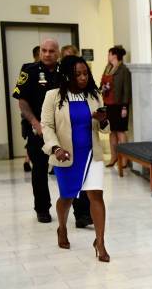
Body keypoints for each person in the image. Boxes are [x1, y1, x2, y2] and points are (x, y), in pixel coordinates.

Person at [12, 39, 92, 227]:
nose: (47, 54)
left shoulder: (66, 72)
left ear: (58, 53)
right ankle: (42, 209)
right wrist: (35, 122)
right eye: (44, 50)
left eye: (51, 51)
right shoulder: (29, 70)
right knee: (39, 171)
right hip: (36, 130)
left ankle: (81, 213)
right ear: (40, 52)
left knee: (74, 168)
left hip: (64, 130)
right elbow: (22, 101)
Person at [40, 55, 111, 262]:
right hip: (66, 156)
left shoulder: (94, 95)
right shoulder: (53, 96)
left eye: (85, 73)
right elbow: (48, 127)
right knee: (67, 197)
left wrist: (103, 120)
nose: (82, 78)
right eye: (77, 74)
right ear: (67, 75)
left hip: (91, 154)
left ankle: (100, 242)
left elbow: (104, 129)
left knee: (96, 196)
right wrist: (55, 148)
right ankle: (62, 227)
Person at [101, 45, 132, 167]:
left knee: (120, 132)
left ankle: (124, 159)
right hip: (108, 104)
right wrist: (103, 88)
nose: (108, 57)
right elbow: (102, 83)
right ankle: (114, 157)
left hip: (120, 105)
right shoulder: (108, 68)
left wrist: (125, 107)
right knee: (111, 131)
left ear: (114, 55)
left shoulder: (123, 70)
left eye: (109, 54)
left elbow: (126, 89)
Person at [22, 45, 40, 173]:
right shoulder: (28, 69)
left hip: (44, 114)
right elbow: (22, 97)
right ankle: (27, 160)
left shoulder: (54, 70)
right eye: (42, 52)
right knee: (31, 139)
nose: (46, 55)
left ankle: (27, 160)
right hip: (31, 114)